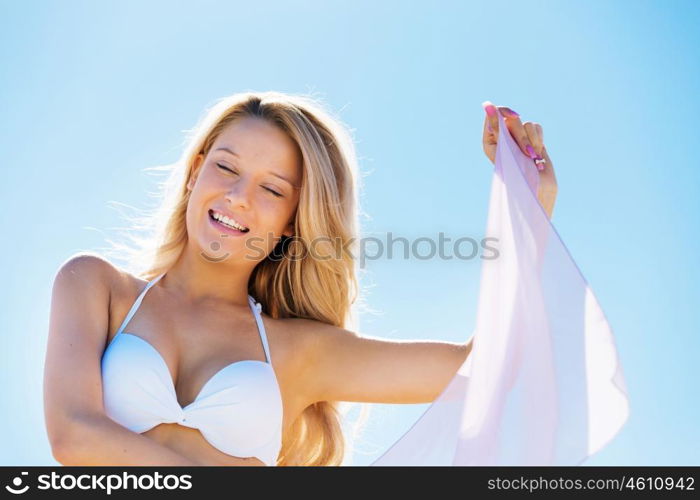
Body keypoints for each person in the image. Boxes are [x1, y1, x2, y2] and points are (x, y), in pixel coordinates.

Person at [44, 91, 557, 466]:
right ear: (196, 171)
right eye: (226, 168)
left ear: (293, 219)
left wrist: (530, 214)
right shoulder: (95, 287)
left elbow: (483, 370)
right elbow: (72, 434)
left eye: (271, 188)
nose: (238, 197)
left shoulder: (299, 351)